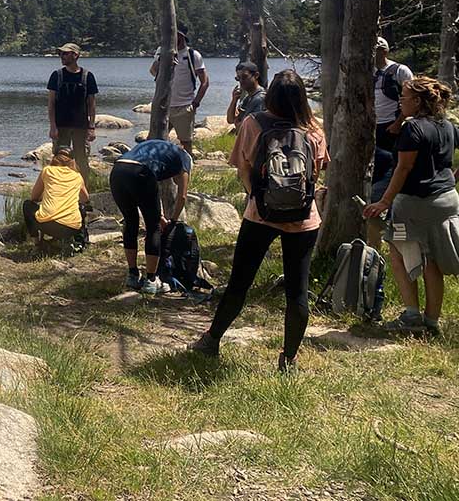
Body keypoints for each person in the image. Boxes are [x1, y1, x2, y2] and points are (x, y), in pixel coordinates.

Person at [188, 70, 329, 373]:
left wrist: (259, 198)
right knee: (297, 292)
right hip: (304, 220)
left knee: (239, 283)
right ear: (302, 97)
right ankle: (288, 360)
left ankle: (210, 341)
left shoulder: (254, 123)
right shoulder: (314, 129)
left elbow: (242, 169)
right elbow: (317, 171)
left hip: (259, 216)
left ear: (272, 96)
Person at [363, 77, 459, 337]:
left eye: (404, 97)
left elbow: (403, 168)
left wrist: (384, 201)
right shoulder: (448, 126)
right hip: (447, 198)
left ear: (417, 101)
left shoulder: (413, 128)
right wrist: (452, 177)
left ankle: (411, 314)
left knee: (398, 249)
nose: (400, 101)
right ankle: (431, 321)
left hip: (415, 204)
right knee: (432, 261)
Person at [109, 138, 191, 294]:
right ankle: (152, 280)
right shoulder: (184, 157)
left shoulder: (160, 150)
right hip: (140, 172)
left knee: (131, 222)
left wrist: (158, 216)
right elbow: (182, 196)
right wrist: (173, 221)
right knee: (153, 228)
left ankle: (132, 275)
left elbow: (144, 197)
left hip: (118, 171)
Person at [149, 24, 209, 151]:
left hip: (184, 106)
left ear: (182, 37)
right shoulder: (161, 51)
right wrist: (162, 63)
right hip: (163, 105)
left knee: (185, 142)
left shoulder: (193, 55)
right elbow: (153, 71)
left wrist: (196, 103)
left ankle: (186, 166)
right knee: (155, 139)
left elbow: (205, 82)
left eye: (176, 35)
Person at [47, 42, 99, 185]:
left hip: (81, 127)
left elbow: (92, 104)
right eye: (60, 54)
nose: (61, 56)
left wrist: (92, 127)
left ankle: (83, 193)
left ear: (75, 55)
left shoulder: (87, 76)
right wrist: (52, 126)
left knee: (82, 160)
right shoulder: (56, 76)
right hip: (61, 126)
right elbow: (51, 103)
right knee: (60, 159)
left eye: (65, 53)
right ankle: (59, 190)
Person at [24, 146, 88, 255]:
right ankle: (76, 242)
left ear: (54, 157)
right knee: (81, 208)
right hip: (71, 227)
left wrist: (44, 197)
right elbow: (85, 198)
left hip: (47, 225)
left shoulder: (47, 171)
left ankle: (37, 245)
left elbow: (34, 197)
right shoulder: (77, 176)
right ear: (72, 161)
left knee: (27, 205)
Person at [374, 37, 414, 152]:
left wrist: (398, 122)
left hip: (391, 123)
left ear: (384, 52)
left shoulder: (400, 70)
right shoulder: (366, 70)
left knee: (390, 159)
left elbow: (412, 98)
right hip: (371, 124)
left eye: (376, 51)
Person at [226, 61, 266, 129]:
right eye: (238, 78)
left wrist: (238, 122)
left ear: (256, 75)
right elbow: (230, 119)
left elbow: (246, 127)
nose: (241, 81)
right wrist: (234, 101)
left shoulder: (260, 98)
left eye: (244, 77)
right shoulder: (248, 98)